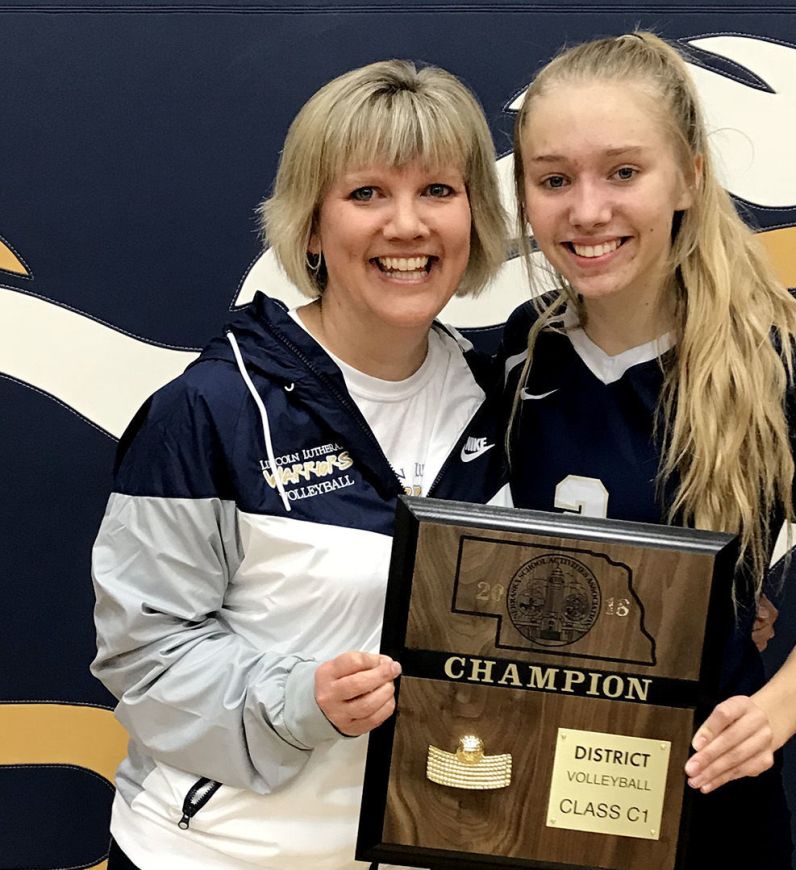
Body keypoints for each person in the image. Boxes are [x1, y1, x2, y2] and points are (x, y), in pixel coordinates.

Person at [91, 60, 507, 870]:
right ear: (311, 226)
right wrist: (299, 700)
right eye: (366, 194)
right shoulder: (210, 410)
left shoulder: (512, 407)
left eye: (437, 191)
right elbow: (142, 654)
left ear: (474, 217)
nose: (406, 225)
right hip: (219, 855)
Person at [503, 32, 796, 867]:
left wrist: (770, 713)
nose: (586, 210)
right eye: (553, 179)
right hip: (523, 802)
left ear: (688, 173)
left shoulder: (788, 370)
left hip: (707, 813)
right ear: (524, 196)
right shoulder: (512, 357)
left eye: (622, 172)